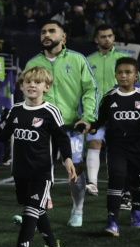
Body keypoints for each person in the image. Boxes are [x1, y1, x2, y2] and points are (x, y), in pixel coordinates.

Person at [0, 66, 76, 247]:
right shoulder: (15, 110)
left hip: (41, 173)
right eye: (28, 82)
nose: (32, 85)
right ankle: (53, 246)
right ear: (22, 86)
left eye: (38, 82)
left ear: (46, 87)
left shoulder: (50, 111)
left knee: (30, 211)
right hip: (20, 172)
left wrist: (67, 159)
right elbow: (3, 135)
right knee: (36, 210)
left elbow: (62, 138)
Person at [24, 20, 99, 227]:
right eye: (43, 31)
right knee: (37, 167)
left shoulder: (77, 60)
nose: (46, 34)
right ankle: (37, 207)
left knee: (74, 167)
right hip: (40, 126)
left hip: (70, 125)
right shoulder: (32, 63)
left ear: (63, 37)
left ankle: (78, 210)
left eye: (51, 31)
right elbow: (26, 94)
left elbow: (90, 90)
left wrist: (88, 117)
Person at [89, 57, 140, 236]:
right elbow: (101, 118)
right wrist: (93, 126)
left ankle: (136, 210)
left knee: (137, 181)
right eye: (120, 72)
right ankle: (112, 220)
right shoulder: (110, 96)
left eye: (128, 72)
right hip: (116, 146)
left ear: (136, 76)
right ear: (115, 75)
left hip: (139, 146)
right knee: (116, 178)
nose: (123, 76)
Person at [85, 24, 129, 195]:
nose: (107, 39)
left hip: (120, 111)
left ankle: (120, 184)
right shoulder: (88, 60)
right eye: (103, 36)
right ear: (96, 39)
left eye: (110, 36)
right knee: (95, 143)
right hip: (95, 111)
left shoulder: (124, 59)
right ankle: (93, 183)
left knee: (119, 147)